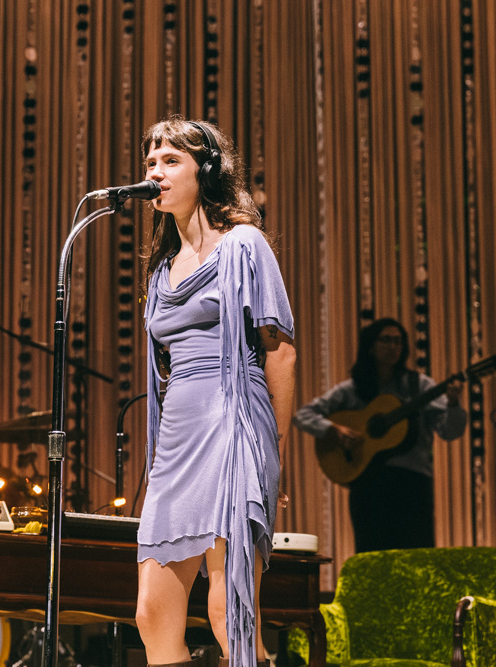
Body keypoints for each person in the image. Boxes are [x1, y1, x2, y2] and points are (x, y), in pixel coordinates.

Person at [136, 116, 296, 667]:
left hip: (235, 427)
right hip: (178, 440)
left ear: (204, 169)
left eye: (169, 161)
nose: (155, 172)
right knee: (152, 614)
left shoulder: (245, 246)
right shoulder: (161, 268)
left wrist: (275, 452)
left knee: (230, 611)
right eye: (150, 163)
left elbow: (280, 350)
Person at [292, 317, 466, 553]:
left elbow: (450, 431)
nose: (393, 346)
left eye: (398, 341)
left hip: (413, 487)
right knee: (372, 556)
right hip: (369, 486)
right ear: (371, 346)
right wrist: (336, 429)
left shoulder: (420, 386)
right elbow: (303, 415)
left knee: (416, 557)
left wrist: (454, 404)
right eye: (386, 340)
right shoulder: (353, 389)